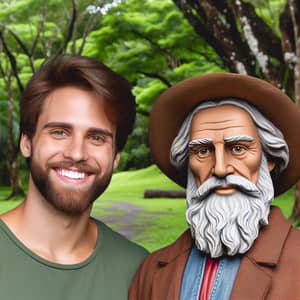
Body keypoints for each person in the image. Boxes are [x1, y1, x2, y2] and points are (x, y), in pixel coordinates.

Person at [129, 73, 300, 299]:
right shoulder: (151, 271)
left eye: (238, 149)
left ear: (268, 159)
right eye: (202, 151)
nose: (219, 168)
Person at [0, 55, 148, 299]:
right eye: (59, 132)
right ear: (26, 143)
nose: (77, 153)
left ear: (116, 157)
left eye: (97, 138)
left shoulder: (138, 270)